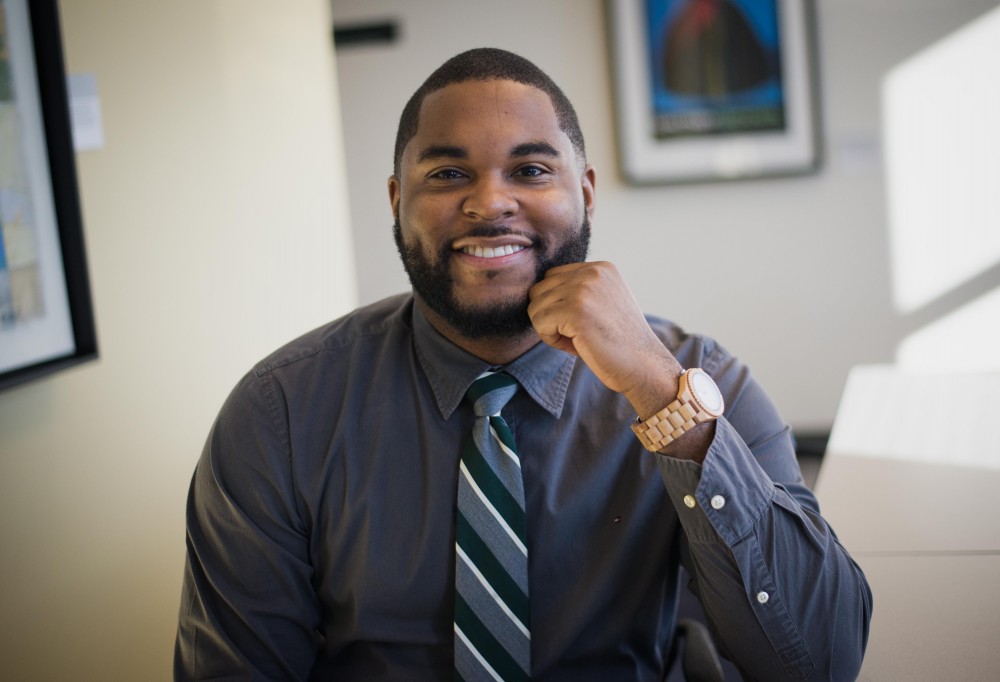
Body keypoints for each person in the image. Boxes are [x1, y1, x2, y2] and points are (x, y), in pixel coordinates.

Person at [175, 47, 872, 681]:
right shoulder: (282, 414)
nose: (490, 203)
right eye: (448, 173)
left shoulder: (695, 375)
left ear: (586, 193)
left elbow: (824, 659)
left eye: (531, 170)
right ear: (397, 202)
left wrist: (665, 399)